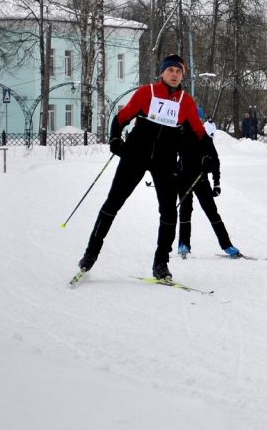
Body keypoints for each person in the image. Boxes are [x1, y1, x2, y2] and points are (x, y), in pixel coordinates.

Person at [76, 54, 208, 281]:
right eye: (170, 70)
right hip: (135, 155)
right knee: (112, 204)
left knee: (168, 212)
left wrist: (208, 155)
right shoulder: (147, 93)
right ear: (162, 73)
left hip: (165, 161)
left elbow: (199, 133)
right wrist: (115, 139)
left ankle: (161, 264)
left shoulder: (186, 102)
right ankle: (90, 255)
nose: (174, 75)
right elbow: (121, 118)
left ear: (182, 75)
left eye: (178, 71)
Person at [176, 127, 241, 258]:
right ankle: (183, 244)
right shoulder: (180, 132)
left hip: (201, 178)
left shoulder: (204, 136)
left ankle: (227, 245)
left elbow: (215, 160)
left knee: (211, 212)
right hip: (184, 178)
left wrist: (216, 182)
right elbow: (171, 156)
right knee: (185, 210)